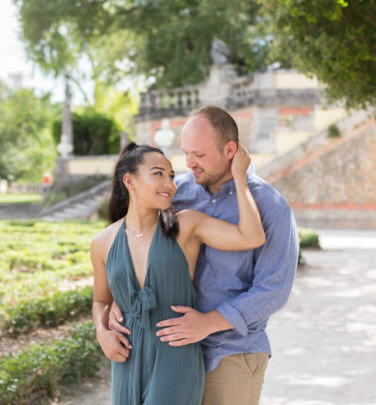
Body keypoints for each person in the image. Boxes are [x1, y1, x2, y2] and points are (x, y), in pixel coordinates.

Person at [110, 106, 299, 405]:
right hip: (168, 354)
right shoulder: (175, 192)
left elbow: (273, 290)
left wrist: (208, 322)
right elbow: (133, 245)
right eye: (186, 153)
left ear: (230, 150)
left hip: (229, 354)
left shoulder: (271, 207)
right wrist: (118, 303)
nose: (189, 163)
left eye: (198, 155)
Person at [91, 141, 266, 405]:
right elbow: (100, 301)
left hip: (175, 354)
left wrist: (240, 177)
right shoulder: (103, 242)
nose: (170, 183)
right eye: (158, 174)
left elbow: (251, 236)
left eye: (171, 175)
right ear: (130, 181)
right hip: (126, 358)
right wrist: (102, 332)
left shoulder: (186, 225)